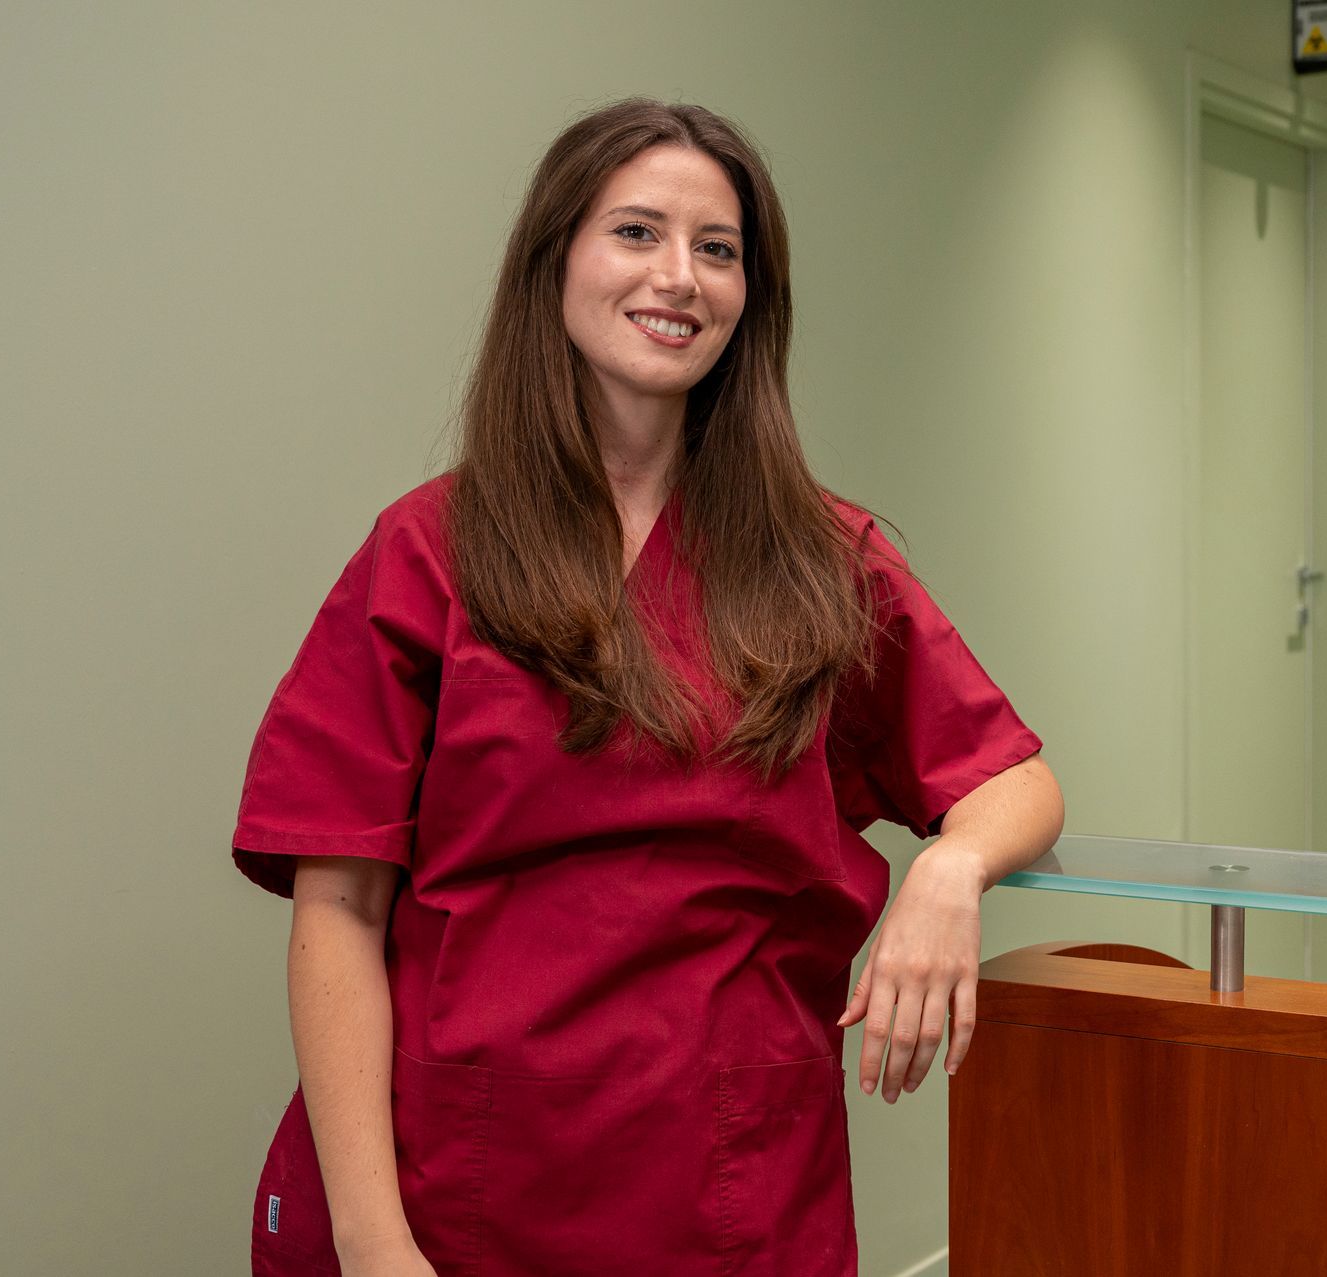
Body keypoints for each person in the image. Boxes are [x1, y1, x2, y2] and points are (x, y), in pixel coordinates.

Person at [232, 97, 1064, 1276]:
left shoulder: (821, 560)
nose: (680, 277)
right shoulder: (429, 554)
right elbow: (339, 908)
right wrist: (373, 1240)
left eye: (716, 249)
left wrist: (952, 866)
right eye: (636, 232)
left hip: (730, 1185)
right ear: (554, 262)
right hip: (455, 1184)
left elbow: (1011, 778)